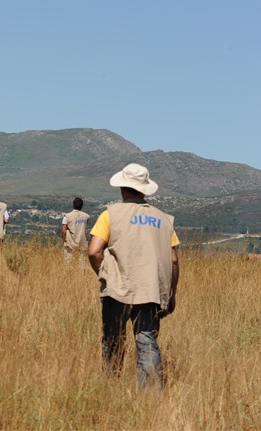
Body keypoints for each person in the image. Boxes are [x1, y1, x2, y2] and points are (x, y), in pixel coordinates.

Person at [87, 163, 180, 388]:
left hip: (116, 290)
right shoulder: (164, 219)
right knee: (147, 343)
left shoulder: (110, 215)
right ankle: (150, 398)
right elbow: (174, 260)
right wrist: (171, 294)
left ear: (121, 187)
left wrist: (105, 274)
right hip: (151, 291)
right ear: (145, 189)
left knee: (113, 341)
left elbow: (93, 250)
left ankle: (111, 388)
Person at [62, 197, 89, 266]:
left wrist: (64, 240)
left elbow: (64, 230)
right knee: (82, 264)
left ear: (73, 205)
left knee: (68, 263)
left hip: (70, 242)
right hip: (82, 241)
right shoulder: (86, 216)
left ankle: (69, 275)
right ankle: (81, 276)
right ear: (81, 206)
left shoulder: (67, 216)